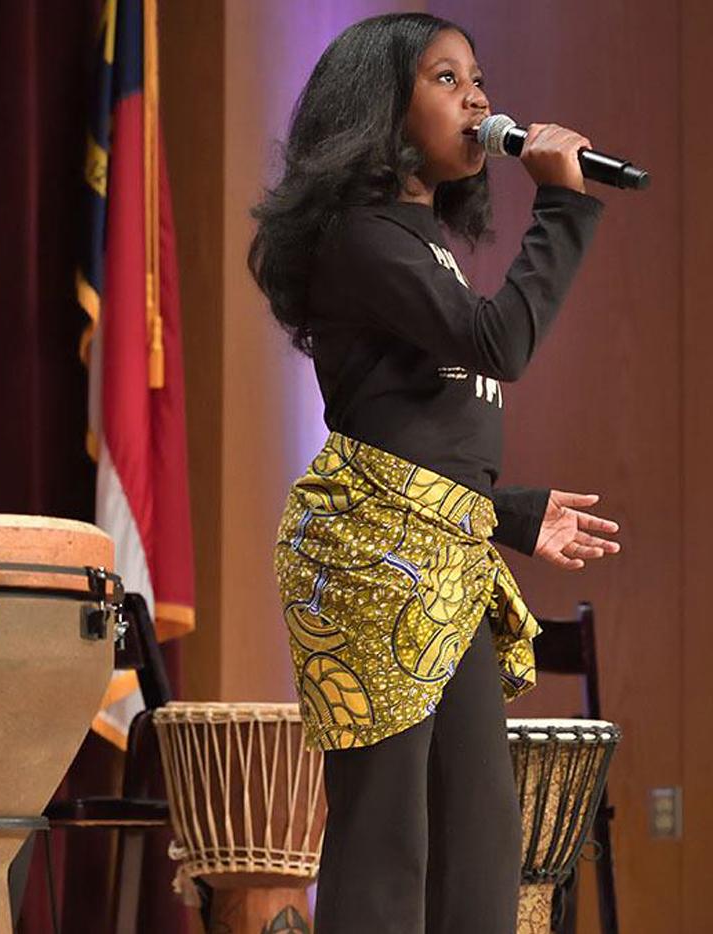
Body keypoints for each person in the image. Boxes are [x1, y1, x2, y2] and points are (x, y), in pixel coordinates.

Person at [249, 15, 622, 933]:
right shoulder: (359, 238)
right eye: (447, 80)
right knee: (387, 843)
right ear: (382, 106)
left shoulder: (421, 243)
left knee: (478, 839)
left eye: (479, 80)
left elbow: (415, 445)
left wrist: (512, 513)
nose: (481, 100)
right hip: (374, 564)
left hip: (437, 557)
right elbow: (497, 343)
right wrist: (565, 208)